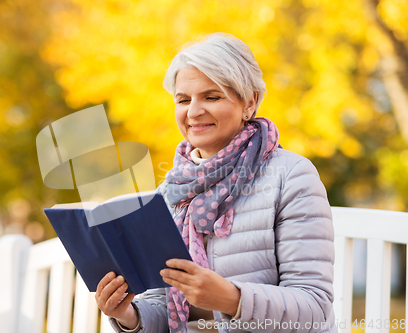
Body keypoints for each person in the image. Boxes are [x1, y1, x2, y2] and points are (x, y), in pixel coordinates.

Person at [95, 32, 336, 333]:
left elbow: (314, 307)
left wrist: (231, 299)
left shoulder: (291, 176)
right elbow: (164, 306)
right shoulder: (169, 193)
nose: (194, 112)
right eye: (183, 100)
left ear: (249, 102)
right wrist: (127, 315)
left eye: (212, 96)